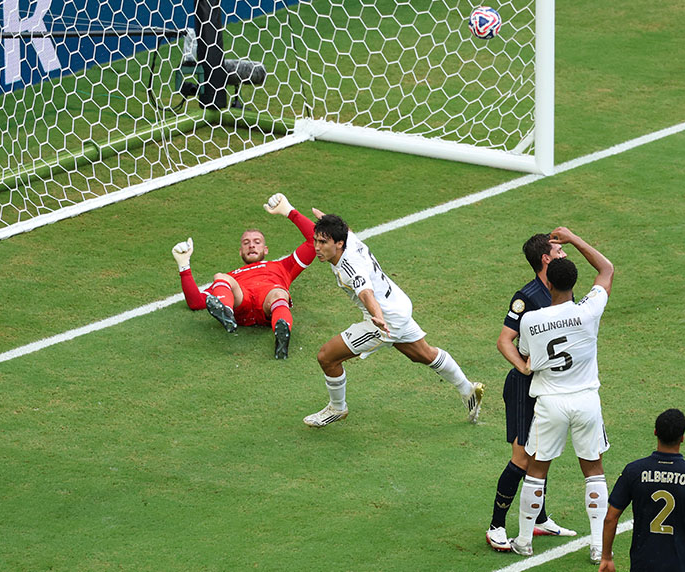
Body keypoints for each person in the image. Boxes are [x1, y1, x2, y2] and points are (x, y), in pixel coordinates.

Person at [301, 210, 484, 427]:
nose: (317, 247)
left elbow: (366, 292)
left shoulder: (351, 268)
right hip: (398, 305)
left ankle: (337, 408)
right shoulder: (350, 240)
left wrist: (377, 317)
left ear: (340, 243)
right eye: (316, 241)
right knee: (423, 353)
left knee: (326, 357)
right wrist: (295, 212)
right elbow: (344, 229)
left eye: (323, 242)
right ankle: (468, 389)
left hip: (385, 319)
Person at [507, 227, 614, 564]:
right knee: (593, 470)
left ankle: (524, 541)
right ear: (572, 283)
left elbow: (524, 356)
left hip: (549, 403)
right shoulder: (589, 311)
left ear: (548, 284)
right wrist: (574, 239)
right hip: (585, 400)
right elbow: (607, 270)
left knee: (536, 470)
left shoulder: (532, 321)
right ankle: (597, 544)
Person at [485, 233, 577, 552]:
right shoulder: (527, 296)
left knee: (543, 451)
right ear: (546, 259)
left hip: (550, 386)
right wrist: (524, 368)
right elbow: (504, 340)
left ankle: (538, 519)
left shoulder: (563, 288)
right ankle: (496, 525)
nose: (564, 253)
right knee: (522, 457)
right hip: (525, 388)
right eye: (559, 250)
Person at [171, 193, 315, 359]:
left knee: (278, 293)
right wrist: (184, 265)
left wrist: (289, 211)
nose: (251, 245)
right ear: (240, 251)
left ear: (266, 249)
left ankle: (282, 335)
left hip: (269, 300)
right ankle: (226, 313)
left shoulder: (283, 266)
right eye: (246, 243)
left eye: (257, 242)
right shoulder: (233, 276)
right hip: (241, 301)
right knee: (221, 276)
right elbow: (196, 302)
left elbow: (313, 241)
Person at [599, 409, 685, 572]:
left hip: (643, 563)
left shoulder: (634, 471)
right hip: (682, 564)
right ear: (682, 438)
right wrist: (682, 533)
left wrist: (606, 557)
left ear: (655, 432)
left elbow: (610, 518)